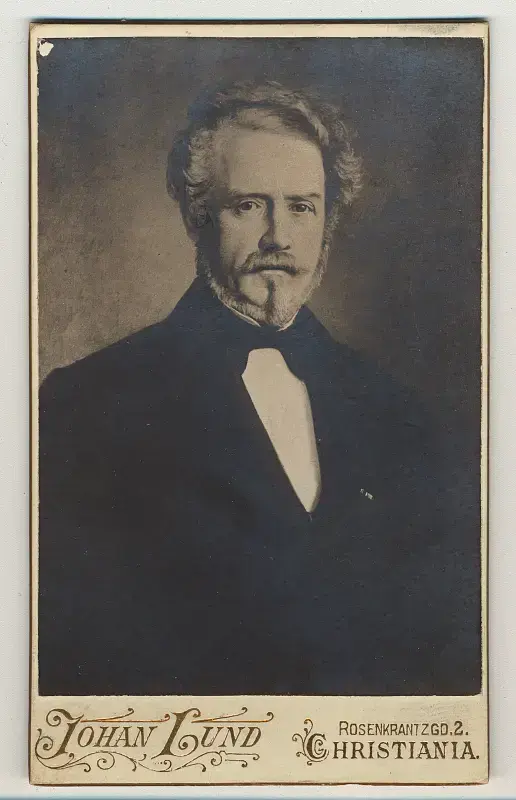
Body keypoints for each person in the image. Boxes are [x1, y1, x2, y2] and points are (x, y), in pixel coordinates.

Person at [38, 81, 480, 697]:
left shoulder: (398, 412)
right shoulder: (86, 405)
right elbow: (73, 662)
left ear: (327, 221)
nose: (280, 237)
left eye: (302, 207)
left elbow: (445, 650)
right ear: (196, 217)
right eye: (249, 205)